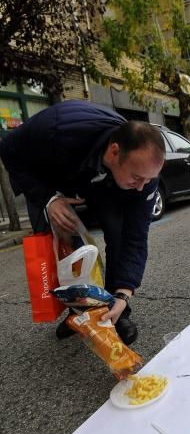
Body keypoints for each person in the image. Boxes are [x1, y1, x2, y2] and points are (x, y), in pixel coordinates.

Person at [0, 100, 165, 345]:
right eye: (137, 178)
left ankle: (114, 312)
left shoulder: (143, 177)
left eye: (148, 180)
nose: (141, 187)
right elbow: (8, 150)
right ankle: (78, 314)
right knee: (66, 248)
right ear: (114, 151)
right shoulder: (58, 129)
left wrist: (124, 293)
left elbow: (136, 236)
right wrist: (48, 198)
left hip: (100, 180)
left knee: (119, 235)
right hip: (50, 177)